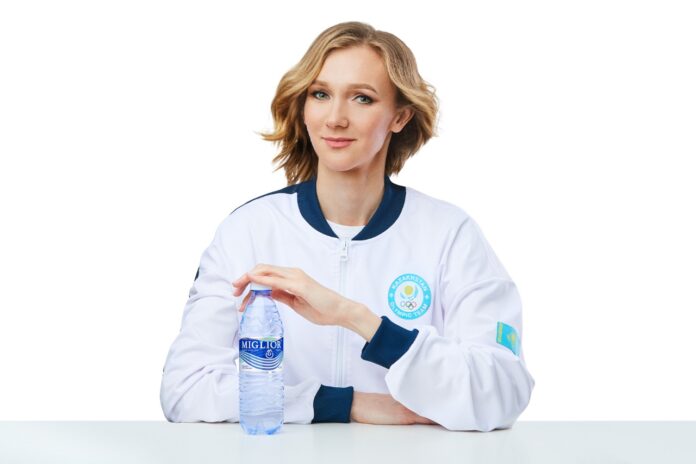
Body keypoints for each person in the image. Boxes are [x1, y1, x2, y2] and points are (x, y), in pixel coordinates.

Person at [160, 21, 535, 432]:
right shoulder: (249, 230)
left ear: (399, 116)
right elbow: (185, 388)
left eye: (362, 98)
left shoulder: (450, 234)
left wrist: (356, 318)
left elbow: (501, 390)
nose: (335, 118)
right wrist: (341, 403)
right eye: (320, 94)